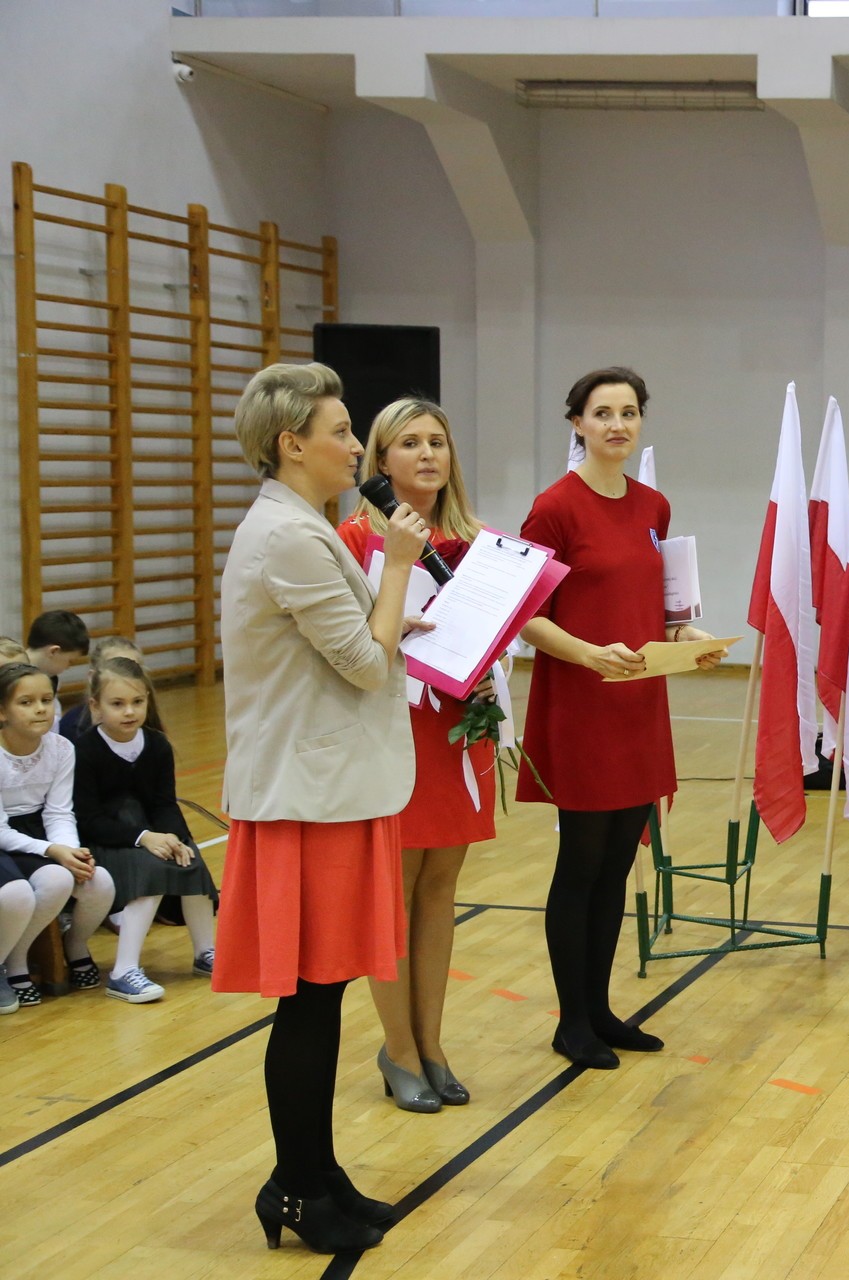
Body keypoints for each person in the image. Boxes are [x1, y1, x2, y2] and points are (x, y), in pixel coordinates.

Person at [215, 360, 429, 1253]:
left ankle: (316, 1173)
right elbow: (366, 664)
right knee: (308, 1001)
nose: (355, 446)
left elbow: (350, 645)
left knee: (324, 995)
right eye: (340, 432)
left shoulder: (302, 524)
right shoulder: (289, 536)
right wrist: (400, 570)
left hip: (329, 791)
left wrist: (393, 610)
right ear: (290, 444)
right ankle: (298, 1189)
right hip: (307, 800)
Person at [518, 366, 721, 1070]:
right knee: (581, 862)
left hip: (637, 705)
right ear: (577, 423)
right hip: (580, 704)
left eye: (629, 412)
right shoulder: (554, 508)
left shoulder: (653, 506)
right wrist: (588, 655)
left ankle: (600, 1009)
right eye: (602, 413)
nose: (617, 425)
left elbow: (657, 608)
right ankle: (571, 1021)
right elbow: (527, 617)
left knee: (616, 864)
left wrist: (687, 636)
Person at [338, 397, 495, 1112]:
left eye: (438, 441)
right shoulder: (351, 539)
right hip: (392, 733)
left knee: (439, 892)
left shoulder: (477, 544)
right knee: (395, 894)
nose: (428, 454)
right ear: (380, 460)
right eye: (409, 443)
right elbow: (344, 641)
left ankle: (432, 1045)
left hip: (458, 731)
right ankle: (397, 1048)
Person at [71, 656, 216, 1004]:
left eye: (137, 701)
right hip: (106, 841)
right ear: (95, 706)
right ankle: (123, 971)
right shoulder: (84, 751)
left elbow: (165, 803)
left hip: (149, 835)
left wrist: (176, 838)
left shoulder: (157, 745)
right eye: (117, 704)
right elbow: (88, 819)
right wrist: (143, 838)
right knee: (151, 873)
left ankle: (206, 952)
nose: (129, 711)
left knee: (191, 862)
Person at [0, 662, 115, 1013]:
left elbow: (58, 812)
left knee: (95, 883)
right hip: (4, 837)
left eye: (46, 700)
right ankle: (8, 965)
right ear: (2, 712)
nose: (40, 709)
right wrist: (54, 850)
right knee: (18, 894)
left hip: (36, 834)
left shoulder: (61, 748)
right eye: (26, 702)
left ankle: (66, 947)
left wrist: (70, 851)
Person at [59, 636, 147, 742]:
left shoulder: (149, 725)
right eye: (115, 670)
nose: (125, 679)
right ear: (93, 677)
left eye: (133, 670)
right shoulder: (70, 726)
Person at [25, 610, 89, 681]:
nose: (68, 667)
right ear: (53, 651)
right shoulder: (20, 681)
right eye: (70, 661)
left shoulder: (50, 677)